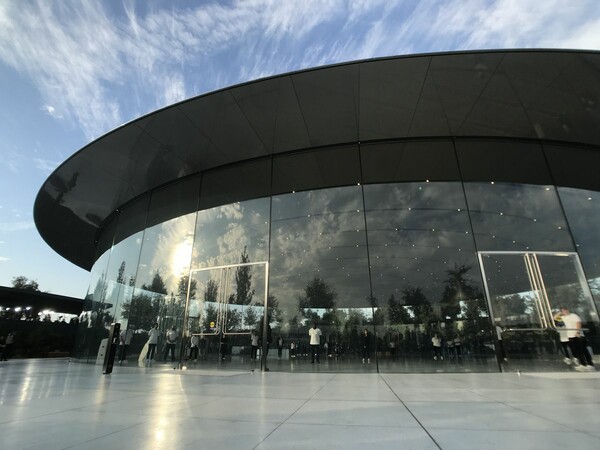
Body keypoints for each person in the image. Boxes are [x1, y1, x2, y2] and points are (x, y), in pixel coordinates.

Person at [560, 307, 595, 371]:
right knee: (578, 351)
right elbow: (554, 318)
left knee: (583, 350)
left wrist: (578, 331)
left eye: (565, 310)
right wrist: (560, 313)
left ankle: (590, 364)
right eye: (562, 311)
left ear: (567, 310)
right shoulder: (563, 317)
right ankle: (583, 364)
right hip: (570, 336)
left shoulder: (573, 316)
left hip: (578, 335)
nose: (564, 312)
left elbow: (578, 323)